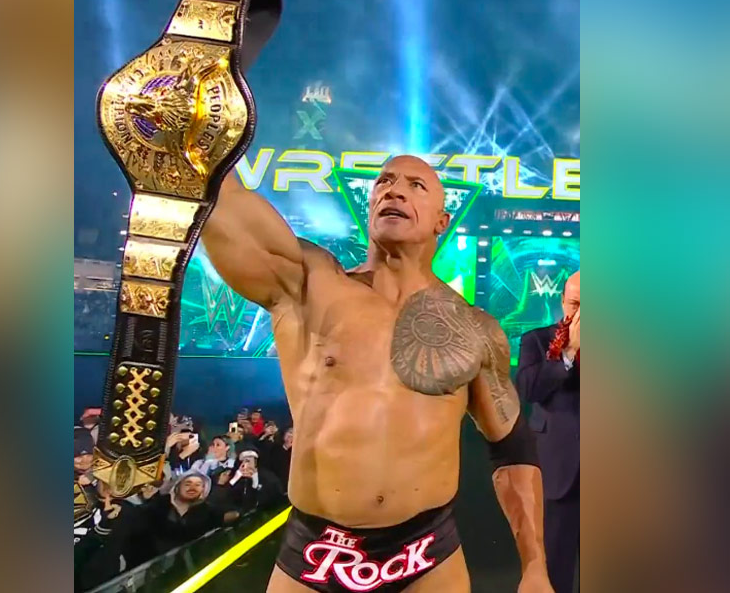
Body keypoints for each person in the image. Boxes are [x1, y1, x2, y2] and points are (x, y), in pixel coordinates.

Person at [202, 155, 552, 592]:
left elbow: (512, 447)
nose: (395, 190)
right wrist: (200, 135)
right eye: (384, 182)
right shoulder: (308, 283)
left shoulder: (475, 329)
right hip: (316, 552)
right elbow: (221, 200)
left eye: (416, 186)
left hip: (426, 556)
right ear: (370, 205)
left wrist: (535, 566)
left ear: (442, 221)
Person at [516, 271, 580, 593]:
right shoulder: (536, 341)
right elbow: (529, 390)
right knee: (555, 567)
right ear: (562, 301)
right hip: (560, 471)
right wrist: (569, 353)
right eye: (576, 304)